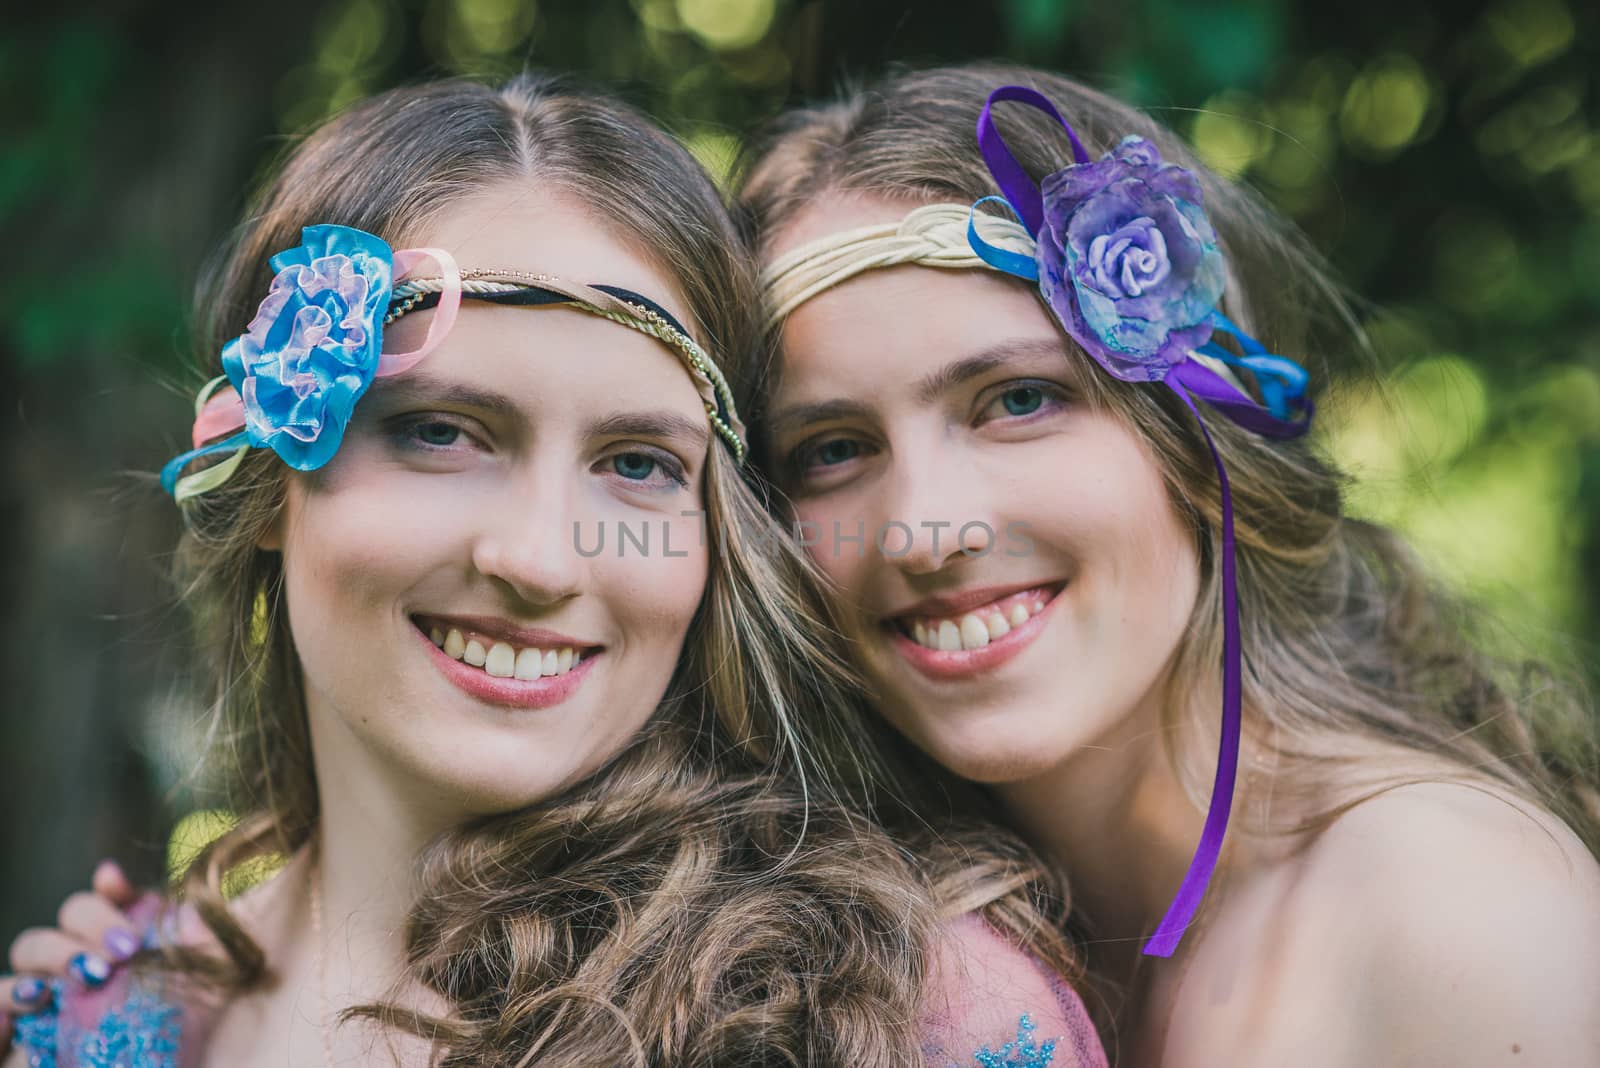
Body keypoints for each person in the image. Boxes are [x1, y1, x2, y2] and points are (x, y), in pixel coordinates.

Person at [0, 73, 1107, 1067]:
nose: (538, 560)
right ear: (268, 476)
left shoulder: (901, 1018)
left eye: (635, 463)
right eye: (441, 433)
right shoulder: (97, 1021)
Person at [739, 62, 1600, 1066]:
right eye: (831, 450)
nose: (923, 533)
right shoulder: (882, 962)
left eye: (1017, 400)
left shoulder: (1452, 916)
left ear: (1196, 438)